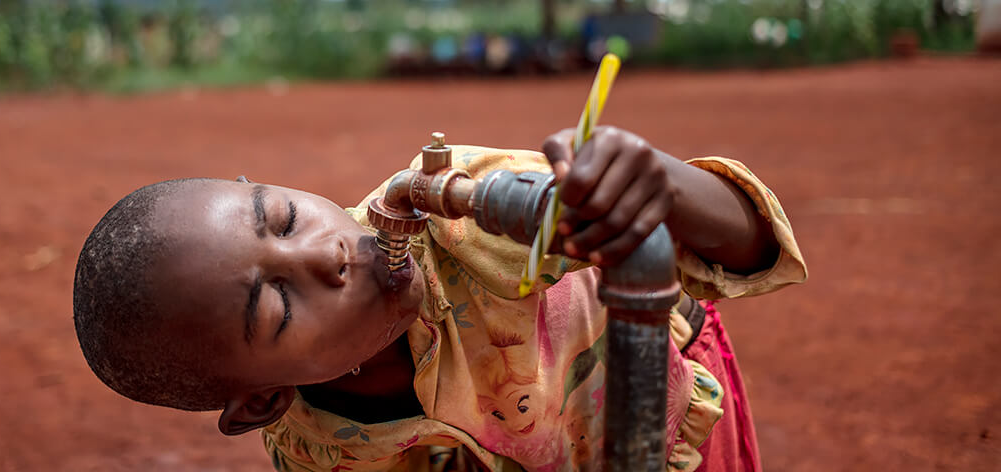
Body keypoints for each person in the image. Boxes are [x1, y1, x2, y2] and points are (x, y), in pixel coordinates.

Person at [73, 126, 805, 472]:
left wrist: (663, 185)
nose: (324, 253)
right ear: (264, 402)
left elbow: (740, 246)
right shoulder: (319, 454)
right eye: (278, 308)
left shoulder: (462, 213)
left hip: (664, 409)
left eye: (287, 219)